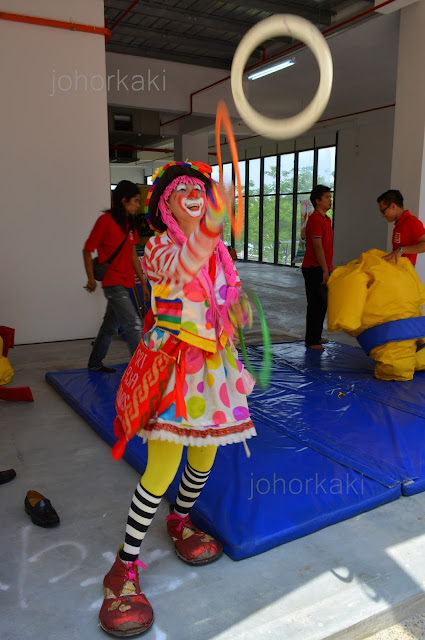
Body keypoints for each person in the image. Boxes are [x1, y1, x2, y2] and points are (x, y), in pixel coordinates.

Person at [98, 161, 256, 637]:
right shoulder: (160, 249)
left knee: (205, 457)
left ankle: (180, 520)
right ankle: (122, 569)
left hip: (214, 368)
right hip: (171, 369)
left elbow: (231, 304)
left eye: (199, 190)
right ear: (165, 207)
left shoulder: (218, 255)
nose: (192, 193)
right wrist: (209, 232)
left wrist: (235, 308)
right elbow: (182, 267)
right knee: (162, 468)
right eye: (181, 190)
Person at [83, 181, 150, 372]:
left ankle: (95, 363)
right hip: (113, 283)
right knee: (133, 325)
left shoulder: (130, 224)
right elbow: (87, 250)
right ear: (123, 200)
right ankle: (141, 370)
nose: (138, 205)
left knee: (109, 327)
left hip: (126, 282)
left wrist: (143, 284)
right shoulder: (104, 222)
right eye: (135, 201)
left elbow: (132, 256)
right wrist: (90, 278)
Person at [301, 185, 334, 351]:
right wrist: (325, 269)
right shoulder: (315, 220)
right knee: (315, 304)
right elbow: (317, 247)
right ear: (317, 200)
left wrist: (328, 267)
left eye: (330, 196)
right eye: (327, 197)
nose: (330, 200)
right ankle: (311, 340)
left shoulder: (326, 219)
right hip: (314, 268)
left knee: (322, 304)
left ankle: (317, 335)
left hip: (323, 267)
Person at [377, 189, 425, 266]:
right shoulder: (399, 224)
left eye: (383, 211)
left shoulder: (411, 222)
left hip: (405, 272)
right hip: (397, 270)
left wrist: (401, 250)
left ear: (393, 206)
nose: (383, 215)